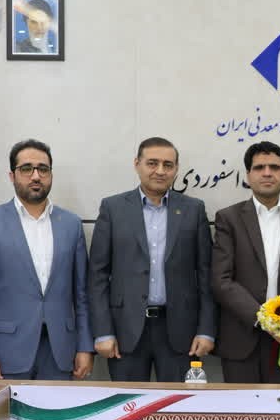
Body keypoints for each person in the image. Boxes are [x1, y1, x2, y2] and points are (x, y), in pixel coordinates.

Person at [89, 137, 216, 382]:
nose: (160, 171)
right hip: (125, 331)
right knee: (129, 403)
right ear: (137, 164)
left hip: (181, 332)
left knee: (178, 404)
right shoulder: (113, 208)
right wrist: (103, 332)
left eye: (168, 165)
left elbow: (205, 274)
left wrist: (206, 330)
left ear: (176, 169)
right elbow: (97, 276)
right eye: (152, 163)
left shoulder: (193, 210)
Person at [0, 139, 93, 381]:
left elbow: (82, 295)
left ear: (51, 175)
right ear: (12, 176)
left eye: (42, 169)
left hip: (60, 352)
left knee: (58, 407)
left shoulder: (71, 224)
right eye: (26, 169)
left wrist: (85, 346)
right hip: (6, 352)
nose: (36, 176)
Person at [212, 141, 280, 383]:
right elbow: (221, 281)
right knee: (242, 407)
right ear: (248, 176)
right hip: (241, 338)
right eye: (259, 168)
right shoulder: (228, 218)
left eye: (274, 167)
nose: (267, 173)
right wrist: (265, 321)